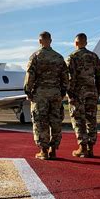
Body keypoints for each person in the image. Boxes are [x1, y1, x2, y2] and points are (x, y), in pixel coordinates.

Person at [24, 31, 69, 160]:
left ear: (40, 41)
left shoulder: (35, 57)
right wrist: (62, 92)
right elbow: (65, 78)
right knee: (55, 121)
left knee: (40, 122)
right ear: (51, 40)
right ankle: (53, 150)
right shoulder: (59, 57)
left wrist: (28, 92)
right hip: (55, 94)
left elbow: (29, 76)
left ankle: (43, 151)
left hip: (40, 95)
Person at [66, 33, 100, 158]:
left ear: (76, 43)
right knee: (91, 119)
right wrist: (97, 91)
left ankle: (82, 147)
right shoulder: (94, 57)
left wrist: (69, 93)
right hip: (92, 92)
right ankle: (91, 147)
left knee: (78, 119)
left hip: (78, 93)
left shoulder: (72, 57)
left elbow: (70, 78)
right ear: (86, 43)